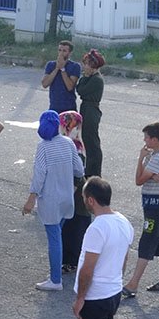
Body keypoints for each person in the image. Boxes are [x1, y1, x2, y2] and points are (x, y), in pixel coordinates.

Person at [73, 177, 133, 319]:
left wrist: (80, 299)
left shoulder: (97, 228)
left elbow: (87, 269)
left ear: (91, 200)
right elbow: (124, 258)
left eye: (84, 197)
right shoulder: (124, 222)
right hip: (113, 292)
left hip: (95, 298)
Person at [23, 110, 85, 290]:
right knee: (57, 234)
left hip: (50, 200)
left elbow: (39, 175)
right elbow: (79, 170)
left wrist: (30, 199)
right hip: (67, 198)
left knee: (54, 239)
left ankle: (55, 280)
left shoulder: (43, 147)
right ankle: (56, 273)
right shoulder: (68, 143)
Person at [122, 122, 159, 297]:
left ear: (154, 139)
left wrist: (141, 160)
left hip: (157, 206)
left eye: (146, 137)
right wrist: (149, 172)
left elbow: (138, 180)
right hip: (153, 204)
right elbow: (141, 178)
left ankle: (133, 284)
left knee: (146, 241)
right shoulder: (154, 155)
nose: (144, 140)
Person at [58, 111, 92, 274]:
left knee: (74, 230)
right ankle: (70, 261)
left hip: (76, 196)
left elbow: (77, 175)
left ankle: (72, 262)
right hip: (75, 195)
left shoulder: (74, 146)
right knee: (72, 229)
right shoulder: (74, 142)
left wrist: (66, 194)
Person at [77, 49, 105, 178]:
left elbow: (81, 90)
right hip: (86, 108)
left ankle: (94, 171)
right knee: (87, 140)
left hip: (91, 110)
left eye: (87, 64)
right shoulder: (91, 78)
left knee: (92, 141)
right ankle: (90, 168)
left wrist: (84, 77)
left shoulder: (96, 79)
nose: (85, 66)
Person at [41, 40, 80, 113]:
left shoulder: (75, 66)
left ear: (70, 53)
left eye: (64, 51)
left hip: (69, 108)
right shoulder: (51, 65)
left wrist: (62, 69)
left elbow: (70, 87)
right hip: (54, 107)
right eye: (59, 50)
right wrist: (56, 68)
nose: (61, 53)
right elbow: (45, 84)